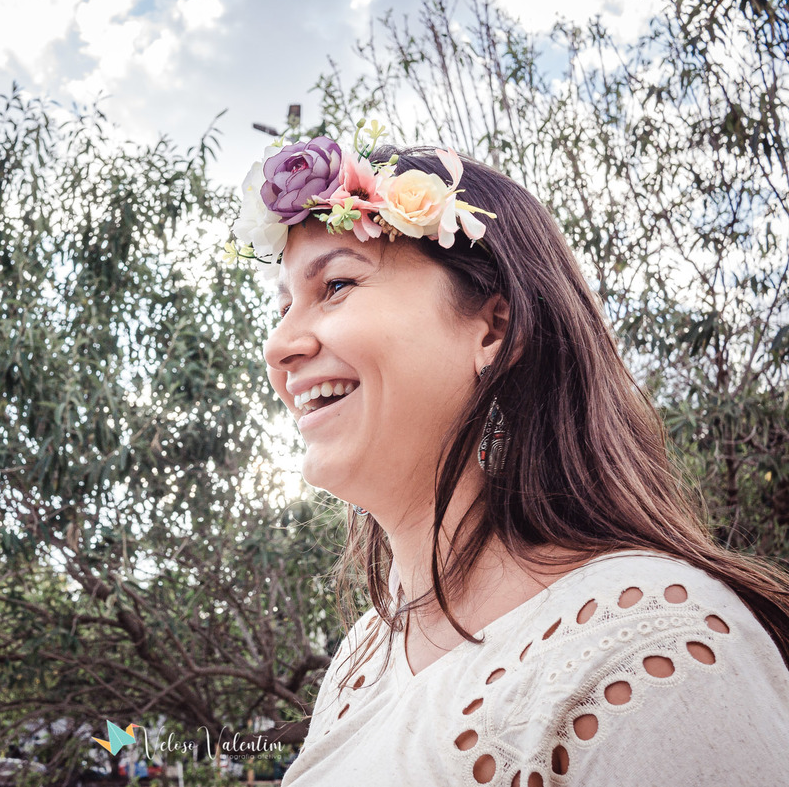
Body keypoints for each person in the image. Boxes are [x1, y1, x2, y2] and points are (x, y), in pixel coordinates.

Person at [229, 128, 789, 786]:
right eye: (283, 305)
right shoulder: (362, 658)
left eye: (337, 285)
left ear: (494, 327)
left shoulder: (653, 648)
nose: (279, 346)